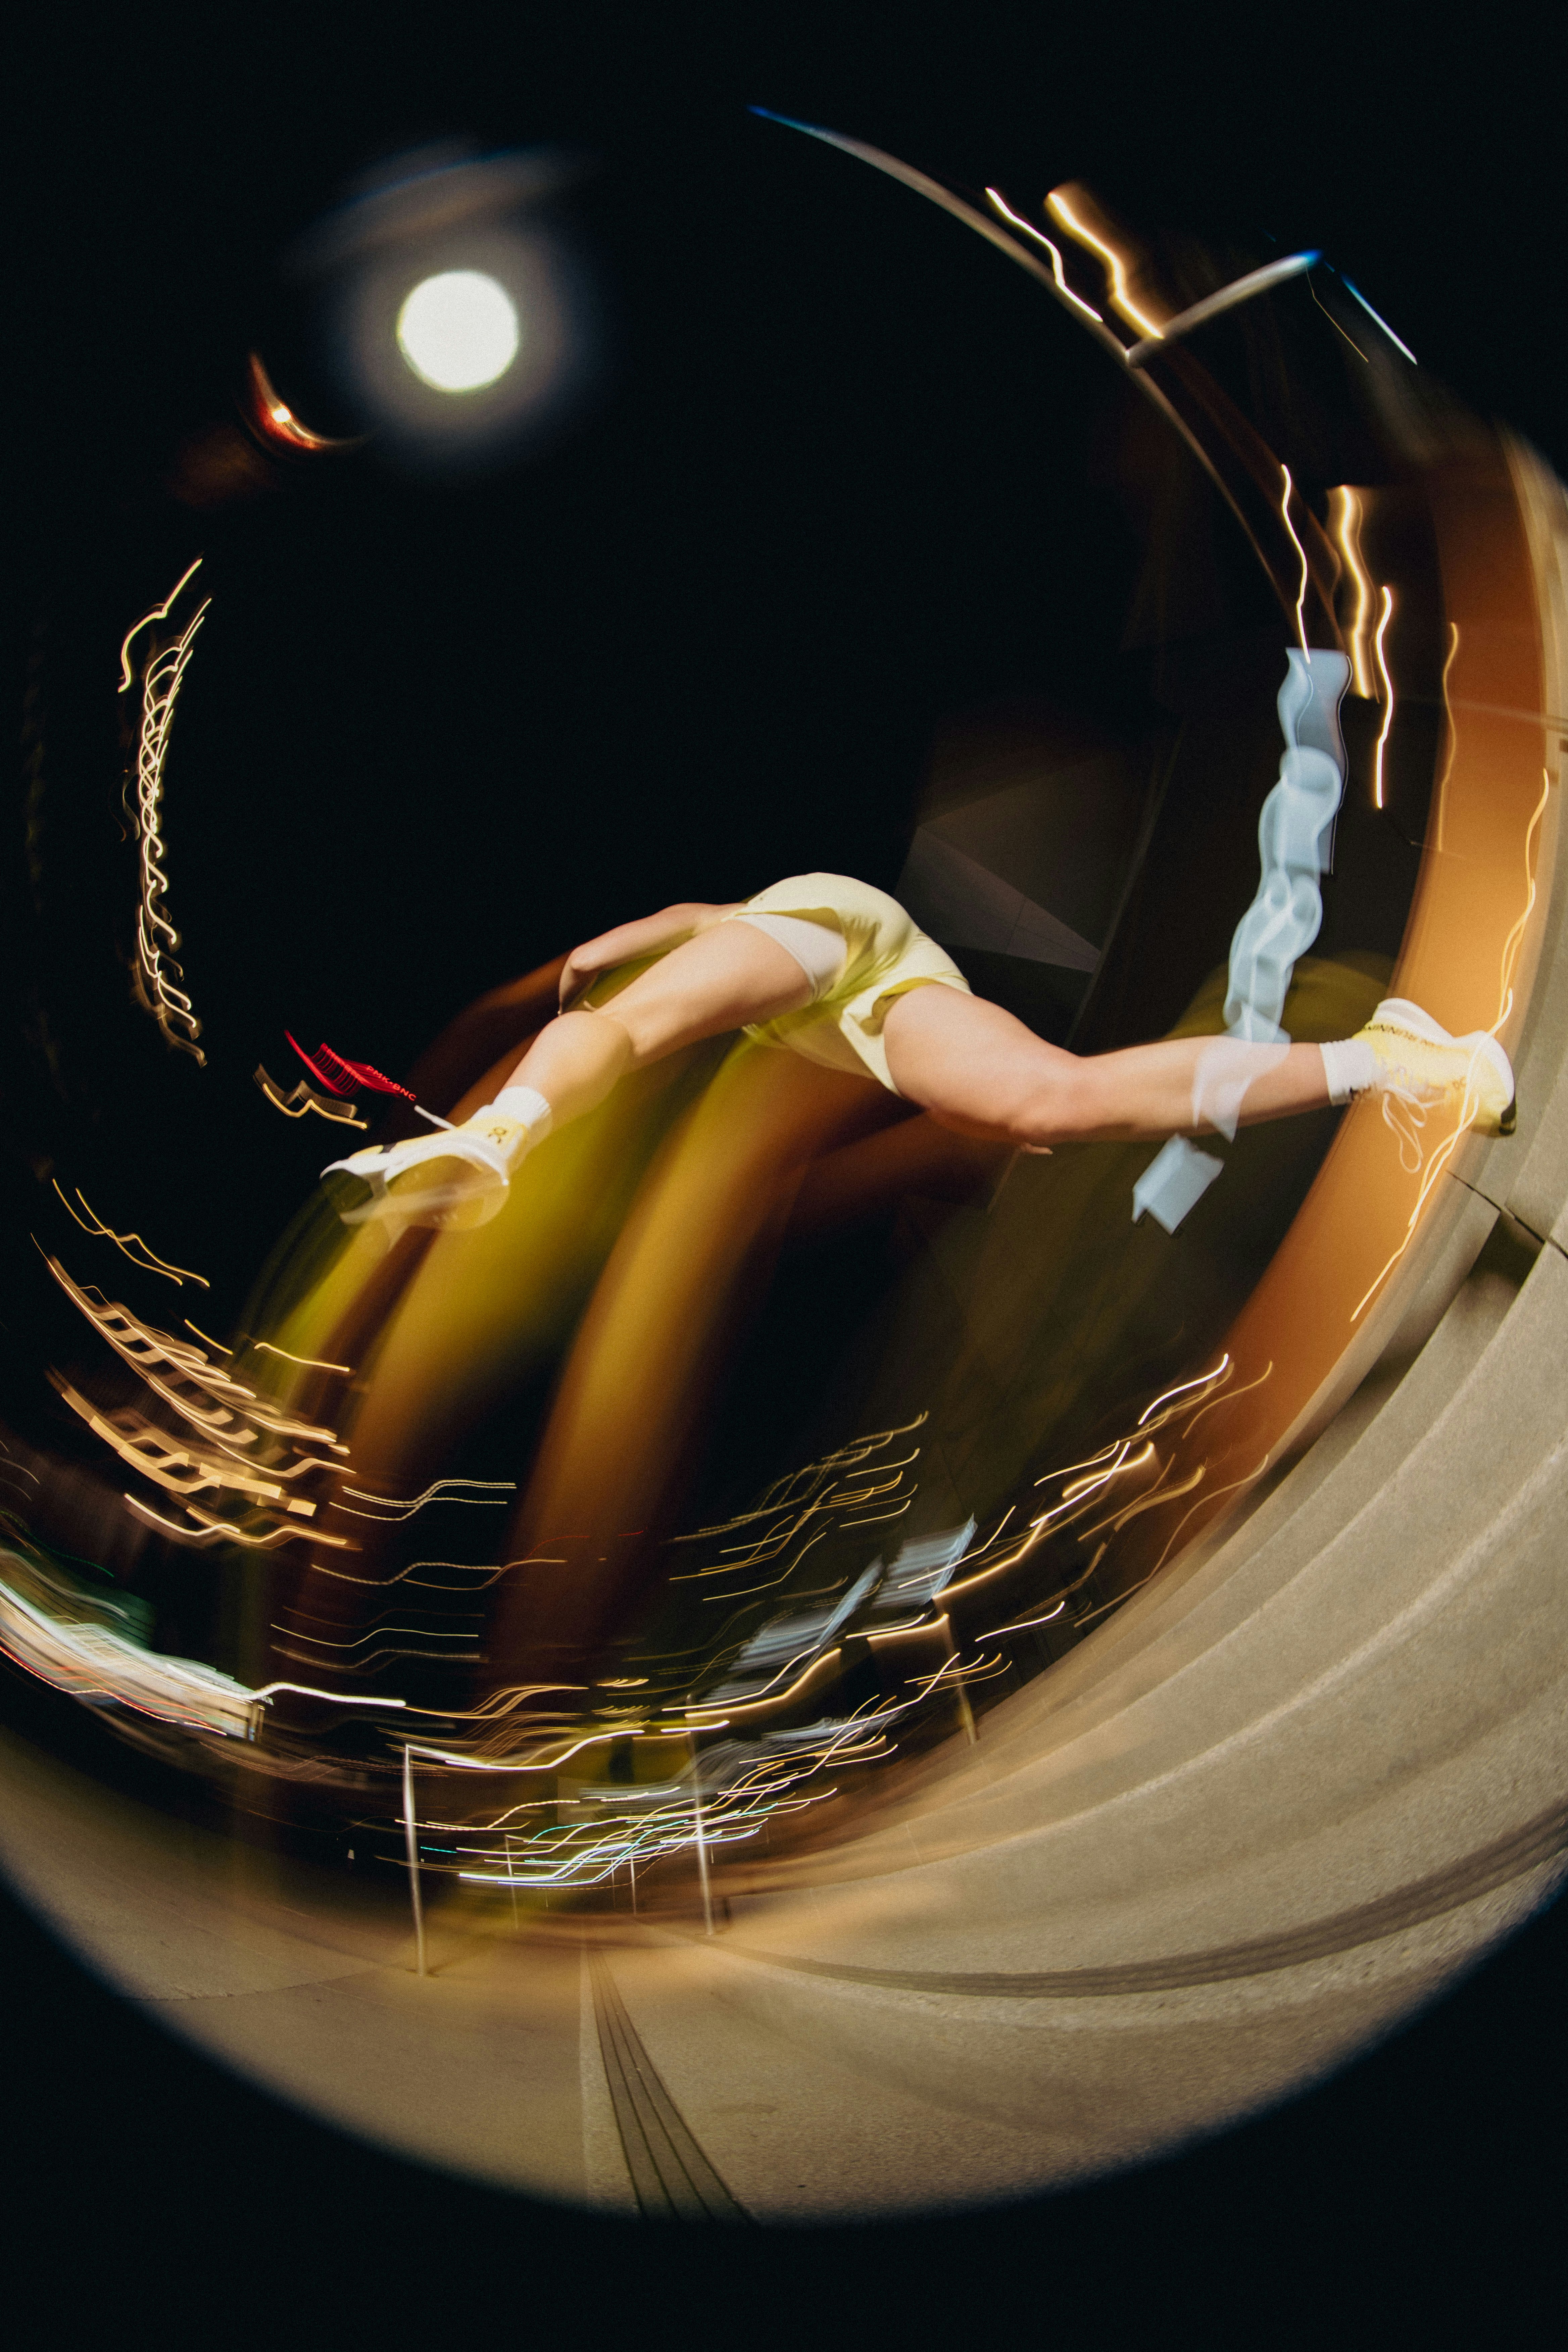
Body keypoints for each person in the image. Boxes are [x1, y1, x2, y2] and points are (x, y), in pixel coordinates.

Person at [323, 873, 1516, 1231]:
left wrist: (580, 980)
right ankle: (1387, 1057)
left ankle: (496, 1141)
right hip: (882, 986)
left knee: (618, 1024)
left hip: (814, 925)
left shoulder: (694, 943)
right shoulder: (778, 1004)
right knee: (1046, 1104)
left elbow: (609, 958)